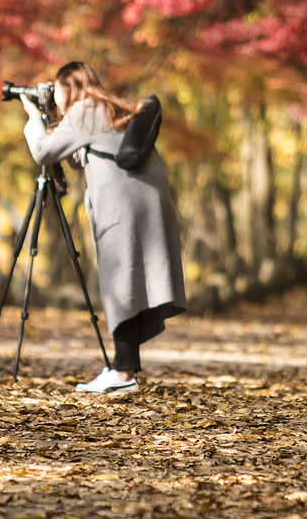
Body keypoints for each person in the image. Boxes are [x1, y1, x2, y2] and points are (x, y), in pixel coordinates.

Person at [21, 61, 186, 394]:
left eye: (57, 88)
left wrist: (31, 117)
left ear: (72, 87)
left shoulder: (84, 111)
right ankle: (124, 368)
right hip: (147, 203)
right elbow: (88, 154)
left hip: (122, 208)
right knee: (132, 282)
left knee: (120, 281)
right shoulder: (109, 107)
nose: (55, 96)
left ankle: (123, 375)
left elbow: (42, 151)